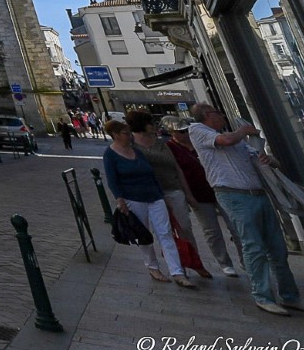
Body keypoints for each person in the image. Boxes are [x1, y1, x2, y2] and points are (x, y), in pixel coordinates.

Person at [187, 103, 302, 316]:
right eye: (218, 112)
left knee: (277, 247)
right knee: (254, 246)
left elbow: (269, 162)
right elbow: (225, 140)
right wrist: (244, 131)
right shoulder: (198, 131)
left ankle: (289, 295)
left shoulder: (239, 142)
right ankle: (262, 296)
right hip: (233, 195)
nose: (222, 115)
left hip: (258, 194)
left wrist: (270, 160)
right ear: (207, 116)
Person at [102, 119, 193, 287]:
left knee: (165, 233)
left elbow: (151, 174)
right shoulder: (110, 154)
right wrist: (120, 199)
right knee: (144, 235)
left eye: (129, 133)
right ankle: (153, 267)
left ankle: (177, 272)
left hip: (154, 196)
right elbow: (112, 180)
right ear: (115, 135)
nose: (130, 136)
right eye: (125, 133)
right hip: (133, 199)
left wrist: (161, 195)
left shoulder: (137, 151)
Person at [127, 112, 208, 278]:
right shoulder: (131, 144)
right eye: (150, 122)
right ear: (142, 124)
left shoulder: (160, 143)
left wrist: (188, 193)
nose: (154, 125)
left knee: (185, 227)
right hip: (151, 194)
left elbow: (176, 168)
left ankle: (195, 262)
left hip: (173, 188)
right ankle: (176, 267)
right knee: (163, 232)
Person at [166, 120, 241, 278]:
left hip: (221, 188)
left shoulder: (199, 140)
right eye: (181, 131)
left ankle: (245, 260)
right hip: (198, 193)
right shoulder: (170, 148)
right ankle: (225, 263)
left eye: (186, 130)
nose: (185, 133)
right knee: (211, 230)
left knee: (236, 226)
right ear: (171, 132)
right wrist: (188, 195)